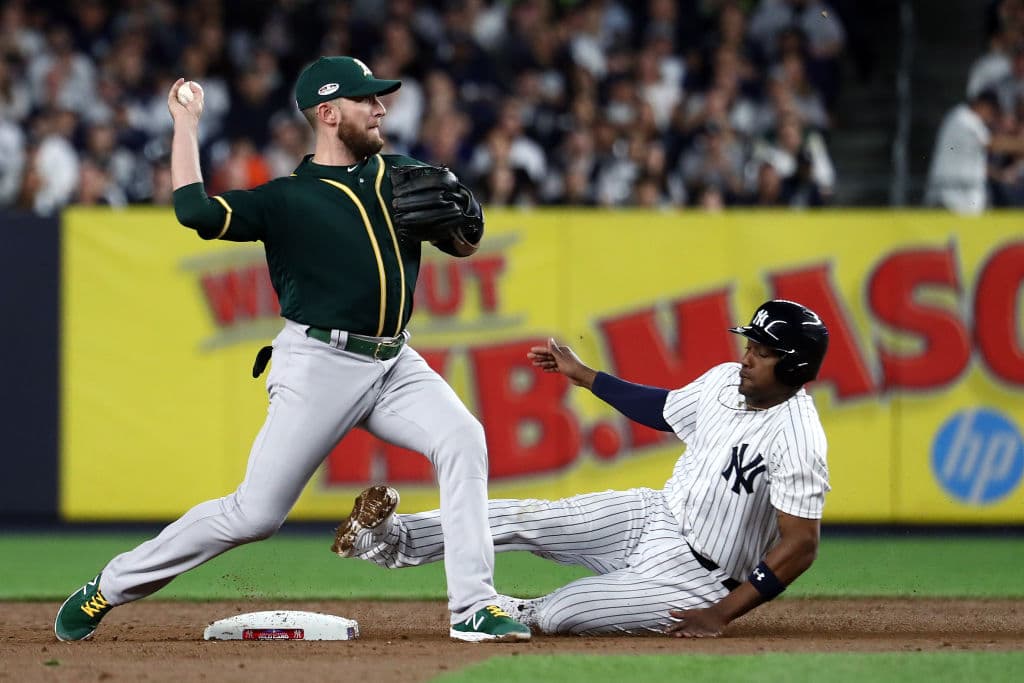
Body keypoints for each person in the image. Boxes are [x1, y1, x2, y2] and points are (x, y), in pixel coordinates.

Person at [54, 55, 529, 644]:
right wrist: (186, 123)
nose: (381, 107)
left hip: (394, 361)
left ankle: (473, 608)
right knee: (254, 515)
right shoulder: (287, 199)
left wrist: (463, 228)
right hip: (319, 364)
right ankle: (108, 586)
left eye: (379, 98)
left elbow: (461, 239)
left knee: (463, 438)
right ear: (328, 114)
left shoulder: (400, 174)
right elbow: (193, 210)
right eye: (366, 100)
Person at [336, 299, 830, 636]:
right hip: (650, 516)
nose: (746, 358)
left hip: (698, 577)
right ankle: (388, 537)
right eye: (749, 345)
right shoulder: (725, 382)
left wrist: (721, 615)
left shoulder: (798, 438)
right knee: (529, 518)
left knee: (564, 613)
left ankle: (520, 612)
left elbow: (800, 544)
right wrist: (585, 376)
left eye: (761, 353)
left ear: (794, 368)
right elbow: (662, 409)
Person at [924, 89, 1024, 215]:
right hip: (949, 199)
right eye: (992, 113)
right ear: (983, 106)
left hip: (963, 202)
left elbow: (978, 165)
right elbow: (992, 144)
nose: (990, 119)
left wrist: (1000, 175)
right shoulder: (963, 117)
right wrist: (1020, 144)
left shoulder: (969, 123)